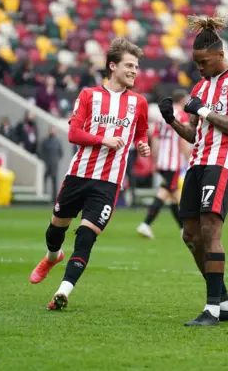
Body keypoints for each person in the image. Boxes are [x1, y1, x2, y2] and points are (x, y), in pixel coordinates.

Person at [29, 38, 151, 311]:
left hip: (108, 183)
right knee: (55, 230)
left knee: (86, 237)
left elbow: (141, 132)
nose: (134, 71)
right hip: (79, 175)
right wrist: (103, 140)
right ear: (112, 66)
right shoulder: (88, 96)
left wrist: (142, 145)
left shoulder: (139, 103)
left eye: (137, 66)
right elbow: (73, 133)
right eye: (129, 65)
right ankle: (52, 256)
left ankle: (63, 292)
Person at [158, 15, 228, 326]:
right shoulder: (200, 85)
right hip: (198, 163)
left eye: (203, 61)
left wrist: (203, 110)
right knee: (189, 234)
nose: (199, 68)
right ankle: (225, 303)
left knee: (210, 231)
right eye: (195, 62)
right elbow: (194, 133)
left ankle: (211, 311)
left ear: (219, 54)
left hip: (223, 162)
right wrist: (173, 121)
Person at [136, 89, 191, 239]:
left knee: (173, 195)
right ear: (182, 100)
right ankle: (145, 224)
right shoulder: (182, 115)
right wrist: (189, 159)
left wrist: (154, 161)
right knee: (165, 192)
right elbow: (183, 139)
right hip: (174, 162)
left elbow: (154, 139)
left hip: (162, 160)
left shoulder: (162, 117)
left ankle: (182, 229)